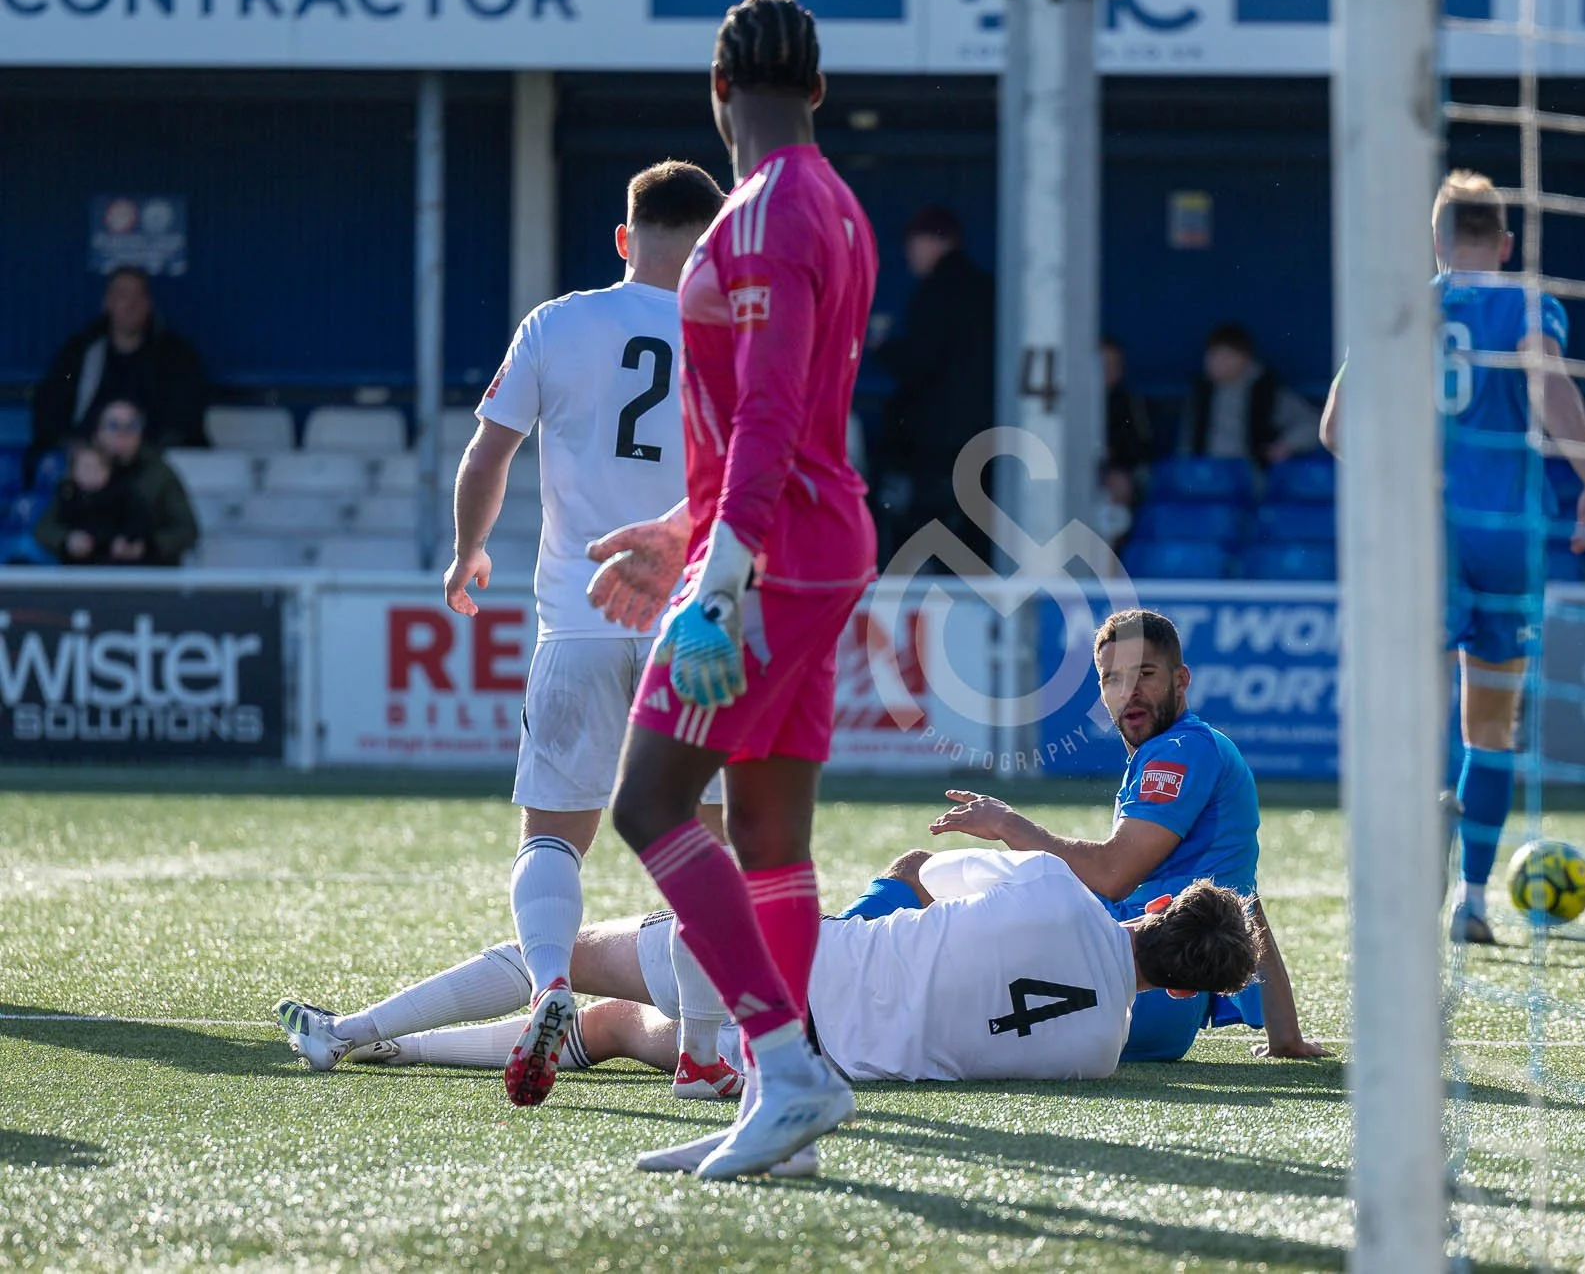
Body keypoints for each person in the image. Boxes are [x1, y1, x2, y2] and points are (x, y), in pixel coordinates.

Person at [581, 0, 879, 1181]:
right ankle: (780, 1104)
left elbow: (761, 413)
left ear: (716, 95)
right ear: (814, 90)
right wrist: (681, 525)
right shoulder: (838, 207)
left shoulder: (759, 215)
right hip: (809, 539)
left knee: (649, 804)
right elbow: (783, 412)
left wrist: (719, 569)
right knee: (765, 829)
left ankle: (787, 1063)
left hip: (774, 555)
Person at [436, 160, 733, 1109]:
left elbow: (489, 449)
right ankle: (702, 1052)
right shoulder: (730, 337)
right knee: (705, 840)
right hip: (688, 620)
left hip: (577, 616)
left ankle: (553, 985)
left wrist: (467, 553)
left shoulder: (556, 322)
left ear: (624, 237)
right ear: (714, 241)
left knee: (554, 836)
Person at [274, 849, 1257, 1107]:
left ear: (1160, 909)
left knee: (560, 954)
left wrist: (922, 871)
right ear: (1181, 993)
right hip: (808, 1064)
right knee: (614, 1028)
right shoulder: (1098, 1054)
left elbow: (930, 876)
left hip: (792, 961)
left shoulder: (1057, 892)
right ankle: (401, 1049)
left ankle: (350, 1027)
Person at [1320, 169, 1585, 945]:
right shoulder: (1524, 299)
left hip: (1426, 533)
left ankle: (1405, 888)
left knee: (1419, 717)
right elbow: (1546, 377)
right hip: (1510, 531)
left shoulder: (1400, 304)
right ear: (1505, 242)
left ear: (1436, 242)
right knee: (1491, 723)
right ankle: (1471, 901)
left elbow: (1337, 430)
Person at [927, 608, 1325, 1063]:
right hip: (1152, 1006)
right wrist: (1285, 1036)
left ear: (1181, 680)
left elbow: (1113, 874)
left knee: (922, 874)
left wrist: (1007, 825)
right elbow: (1242, 902)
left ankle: (832, 969)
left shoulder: (1179, 751)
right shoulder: (1186, 749)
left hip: (1130, 992)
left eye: (1145, 674)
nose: (1128, 692)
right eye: (1112, 679)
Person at [871, 204, 997, 565]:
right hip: (987, 432)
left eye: (914, 242)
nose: (909, 252)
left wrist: (884, 350)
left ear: (935, 241)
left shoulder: (937, 290)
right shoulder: (985, 288)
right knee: (979, 530)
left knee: (936, 529)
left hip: (941, 442)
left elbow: (920, 362)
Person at [28, 266, 208, 487]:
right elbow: (55, 397)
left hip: (153, 463)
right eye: (122, 295)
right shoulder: (77, 355)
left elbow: (185, 416)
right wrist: (77, 446)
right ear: (107, 302)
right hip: (88, 462)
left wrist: (141, 449)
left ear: (148, 304)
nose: (130, 304)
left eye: (138, 296)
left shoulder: (176, 358)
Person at [34, 400, 199, 567]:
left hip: (147, 576)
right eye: (114, 426)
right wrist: (68, 541)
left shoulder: (160, 473)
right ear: (97, 432)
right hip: (88, 577)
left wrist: (147, 546)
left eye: (131, 426)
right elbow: (45, 528)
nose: (123, 433)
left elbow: (187, 530)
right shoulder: (81, 470)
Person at [1181, 323, 1320, 469]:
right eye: (1211, 355)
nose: (1212, 362)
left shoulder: (1267, 392)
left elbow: (1312, 424)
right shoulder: (1200, 394)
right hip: (1204, 475)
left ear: (1243, 358)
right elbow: (1185, 446)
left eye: (1223, 356)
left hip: (1252, 478)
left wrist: (1285, 446)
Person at [33, 439, 144, 566]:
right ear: (73, 471)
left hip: (117, 568)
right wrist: (67, 540)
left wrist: (127, 541)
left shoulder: (124, 495)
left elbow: (138, 523)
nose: (92, 474)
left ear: (108, 470)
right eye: (86, 468)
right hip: (75, 570)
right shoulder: (67, 496)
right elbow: (44, 529)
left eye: (98, 467)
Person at [1098, 336, 1154, 547]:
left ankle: (1111, 555)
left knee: (1119, 484)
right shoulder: (1070, 401)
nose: (1108, 370)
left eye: (1114, 365)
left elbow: (1143, 447)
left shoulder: (1129, 402)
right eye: (1103, 364)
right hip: (1075, 474)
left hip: (1117, 473)